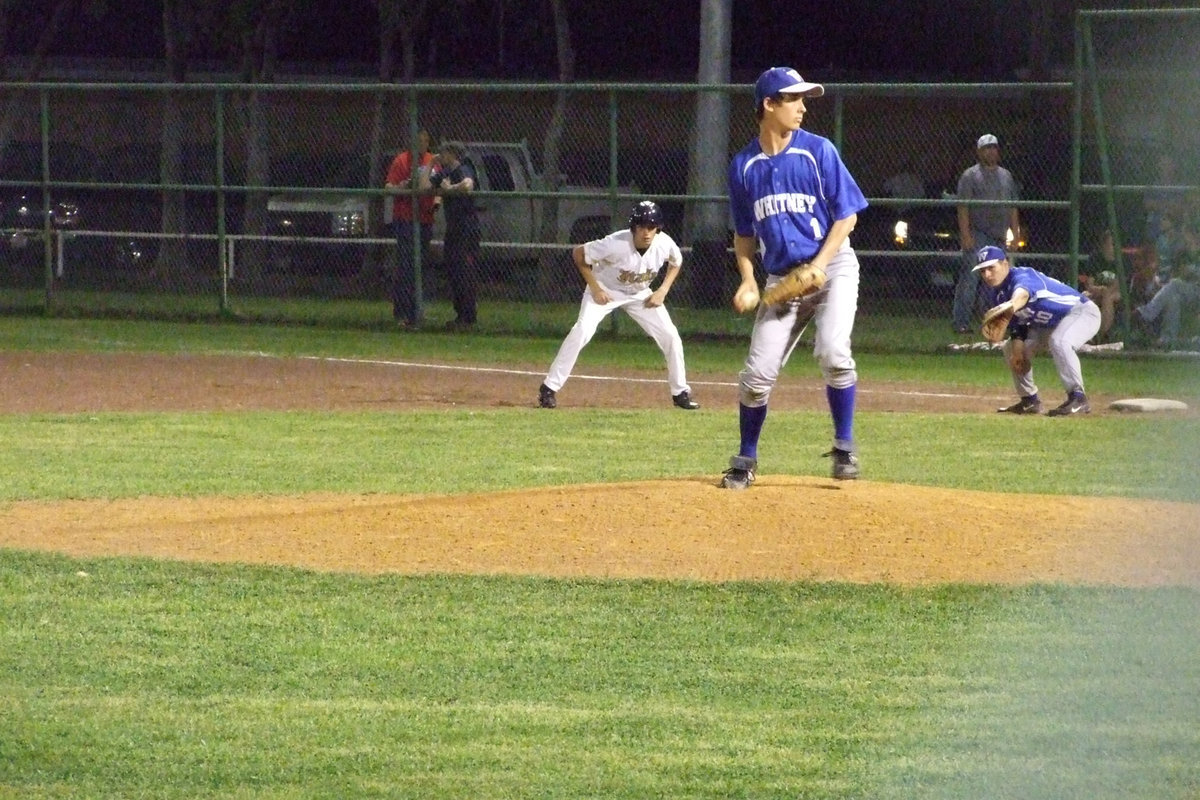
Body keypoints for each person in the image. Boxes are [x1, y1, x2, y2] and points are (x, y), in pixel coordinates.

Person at [720, 66, 869, 488]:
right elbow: (744, 234)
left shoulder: (818, 150)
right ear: (769, 104)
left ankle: (844, 448)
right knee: (756, 378)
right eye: (793, 99)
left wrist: (820, 264)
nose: (803, 107)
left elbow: (848, 216)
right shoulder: (743, 166)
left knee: (833, 353)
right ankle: (746, 459)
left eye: (804, 99)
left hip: (833, 267)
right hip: (782, 279)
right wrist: (748, 279)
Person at [537, 200, 699, 411]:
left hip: (640, 294)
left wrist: (663, 290)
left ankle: (680, 393)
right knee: (582, 331)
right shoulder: (615, 243)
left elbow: (676, 262)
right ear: (634, 227)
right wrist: (595, 287)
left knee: (671, 336)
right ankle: (549, 388)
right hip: (606, 289)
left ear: (658, 228)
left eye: (651, 227)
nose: (646, 232)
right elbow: (578, 254)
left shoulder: (664, 243)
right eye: (641, 226)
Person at [975, 245, 1101, 417]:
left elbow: (1023, 294)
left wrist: (1010, 306)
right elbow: (1018, 323)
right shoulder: (998, 294)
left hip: (1082, 312)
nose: (987, 275)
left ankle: (1078, 398)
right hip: (1049, 325)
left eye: (991, 268)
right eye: (982, 271)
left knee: (1060, 341)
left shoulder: (1022, 275)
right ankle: (1030, 401)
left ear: (1005, 264)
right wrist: (1018, 351)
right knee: (1010, 348)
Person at [952, 133, 1021, 334]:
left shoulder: (1006, 176)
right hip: (978, 233)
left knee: (995, 282)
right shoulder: (970, 175)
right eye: (987, 148)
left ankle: (990, 322)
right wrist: (965, 234)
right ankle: (961, 322)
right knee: (970, 279)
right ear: (979, 151)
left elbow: (1013, 207)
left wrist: (1015, 234)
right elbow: (963, 207)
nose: (991, 151)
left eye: (994, 147)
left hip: (998, 236)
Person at [423, 141, 481, 329]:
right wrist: (431, 165)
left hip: (467, 229)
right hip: (453, 229)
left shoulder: (464, 168)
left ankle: (468, 317)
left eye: (444, 153)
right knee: (453, 270)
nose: (441, 155)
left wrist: (449, 189)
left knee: (465, 272)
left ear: (453, 154)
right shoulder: (445, 172)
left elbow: (467, 185)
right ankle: (460, 315)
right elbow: (424, 187)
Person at [386, 128, 439, 329]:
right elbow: (389, 187)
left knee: (420, 266)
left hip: (424, 219)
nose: (422, 145)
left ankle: (416, 311)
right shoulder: (402, 161)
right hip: (406, 219)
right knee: (406, 265)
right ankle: (403, 312)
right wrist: (404, 187)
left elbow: (439, 185)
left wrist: (436, 200)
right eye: (418, 141)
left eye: (425, 141)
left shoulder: (431, 161)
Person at [1078, 228, 1125, 342]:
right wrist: (1100, 290)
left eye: (1115, 245)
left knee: (1108, 297)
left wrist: (1105, 292)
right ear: (1104, 245)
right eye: (1111, 244)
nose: (1113, 248)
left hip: (1116, 293)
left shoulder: (1121, 261)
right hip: (1097, 291)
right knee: (1085, 298)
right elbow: (1090, 284)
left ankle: (1101, 335)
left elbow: (1118, 285)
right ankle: (1084, 335)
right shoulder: (1095, 259)